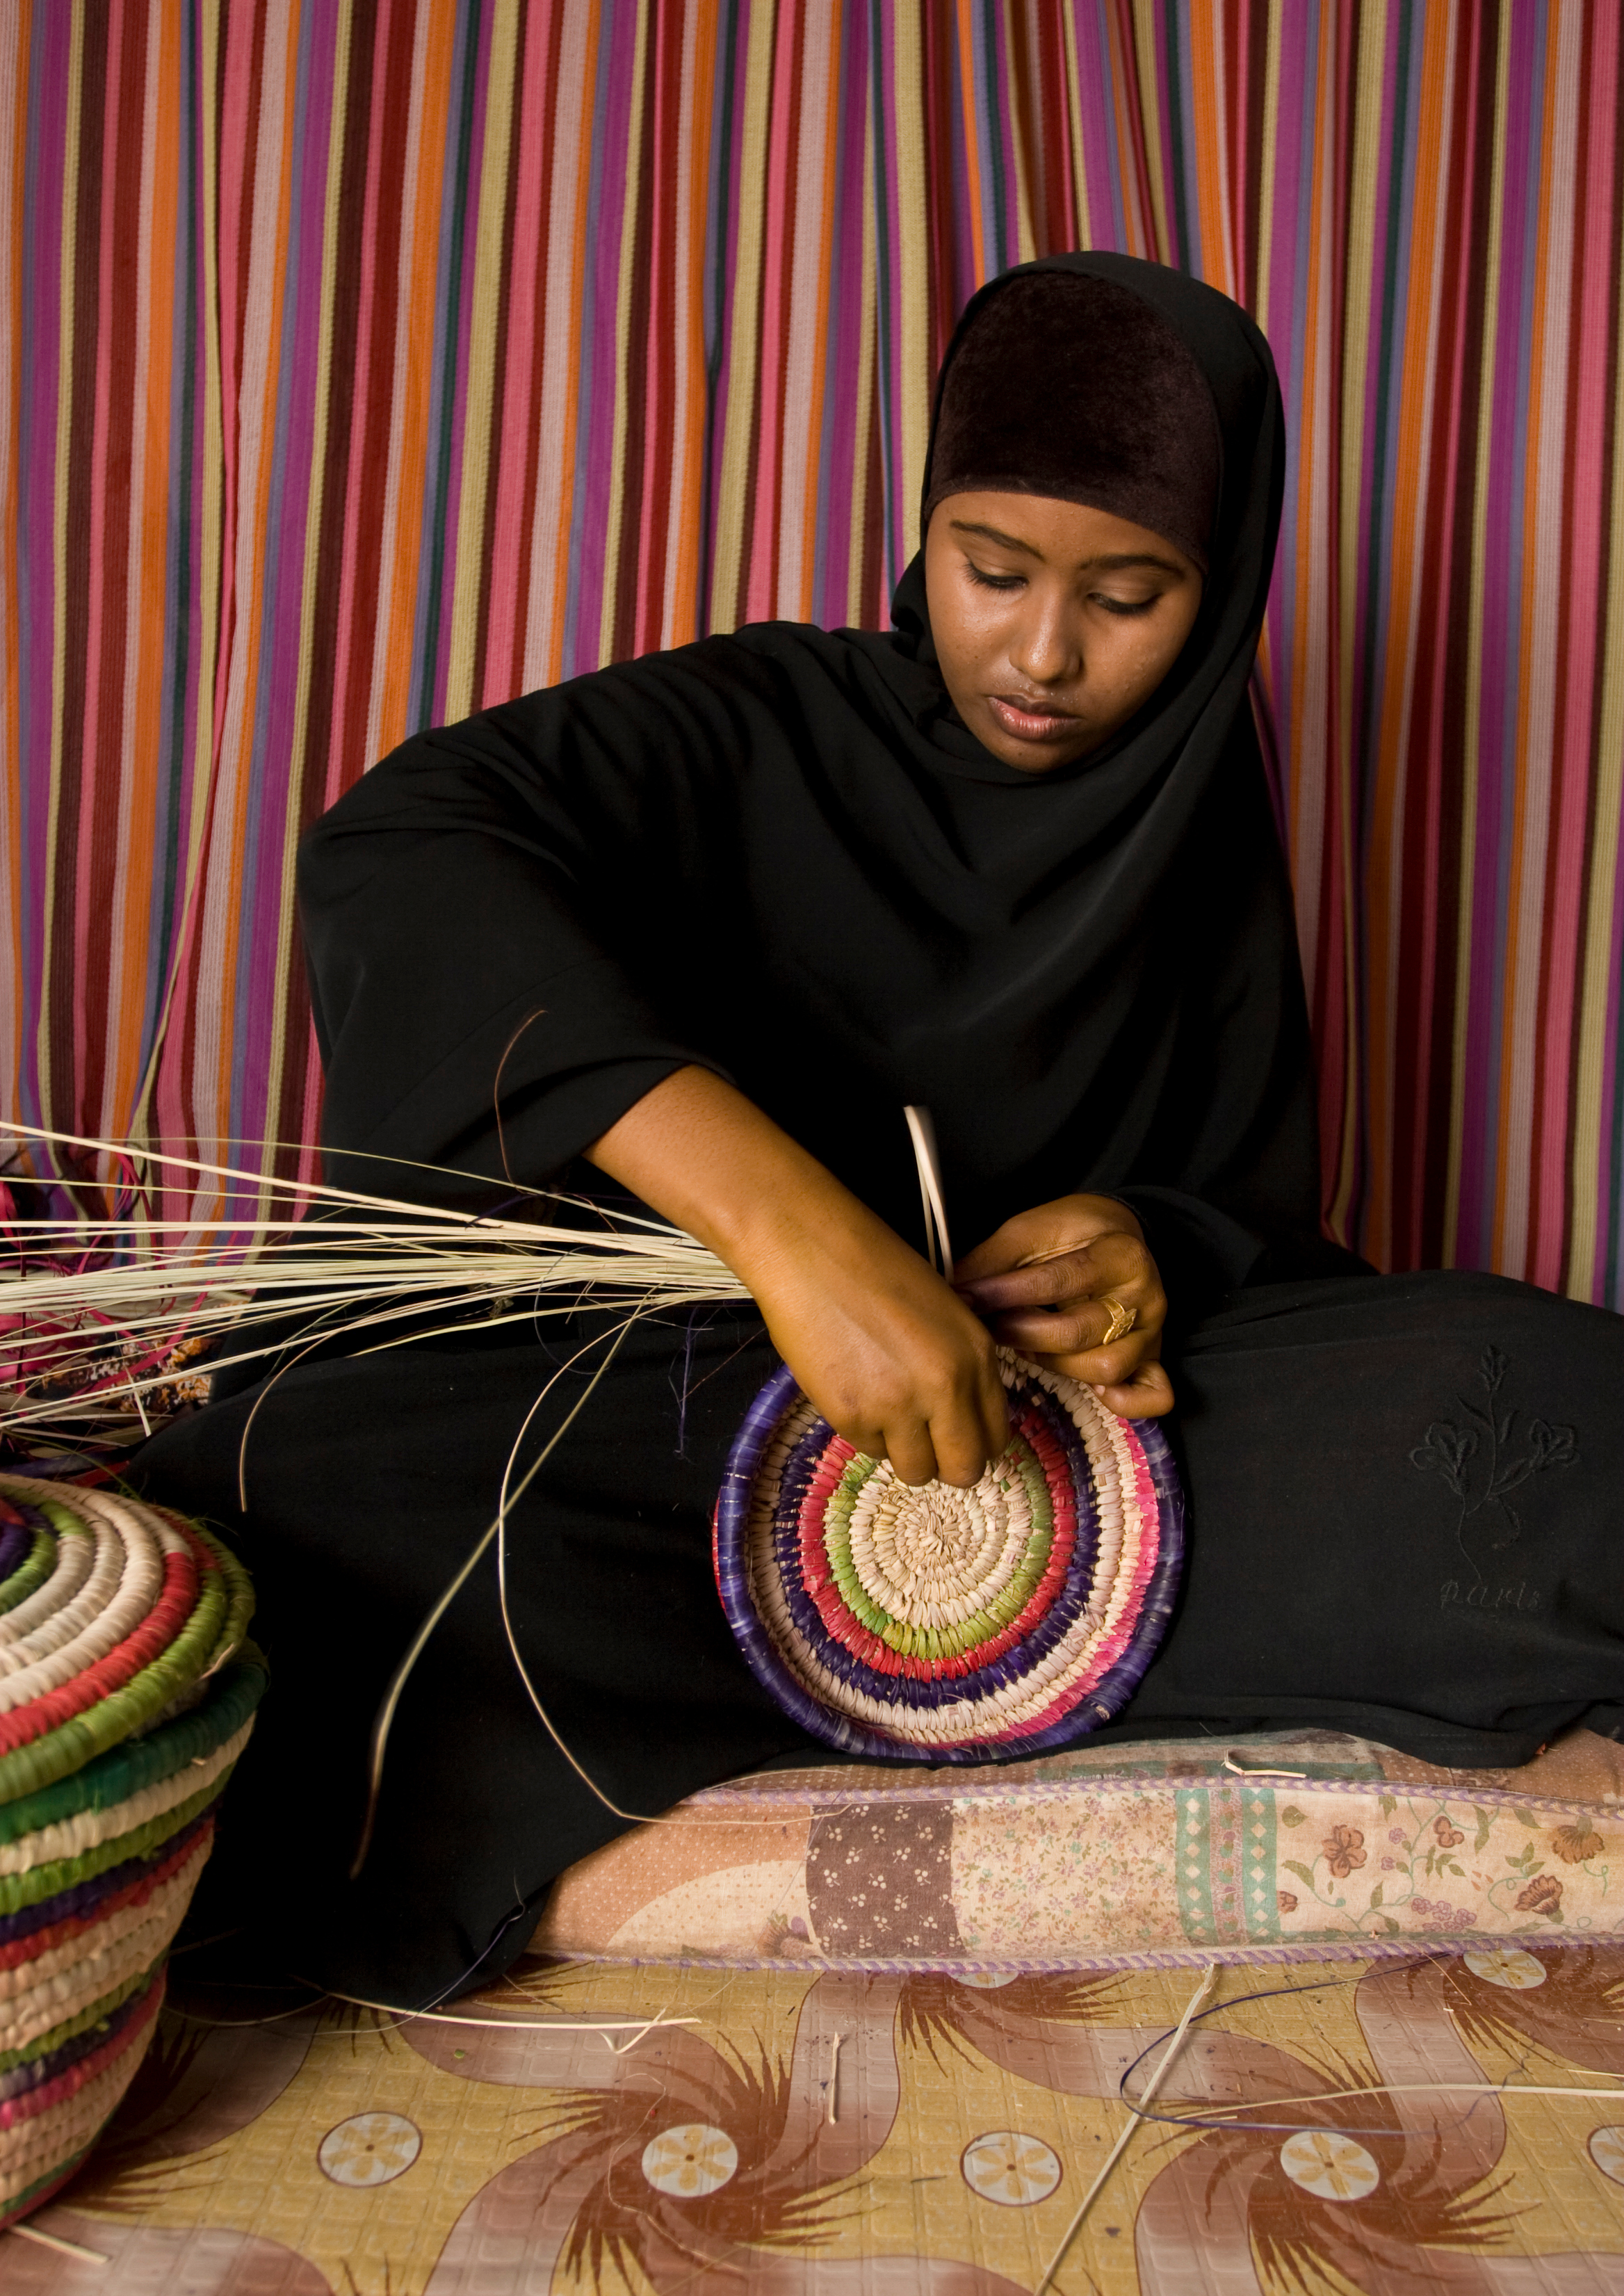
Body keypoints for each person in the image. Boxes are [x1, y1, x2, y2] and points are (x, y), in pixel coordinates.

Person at [127, 255, 1624, 2010]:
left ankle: (1014, 1649)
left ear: (1217, 608)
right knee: (268, 1499)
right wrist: (793, 1235)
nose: (1043, 653)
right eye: (993, 573)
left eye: (1130, 597)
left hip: (1078, 1464)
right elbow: (401, 847)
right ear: (928, 541)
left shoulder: (1190, 809)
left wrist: (1141, 1242)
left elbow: (1235, 1197)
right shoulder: (768, 724)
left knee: (1559, 1412)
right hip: (693, 1425)